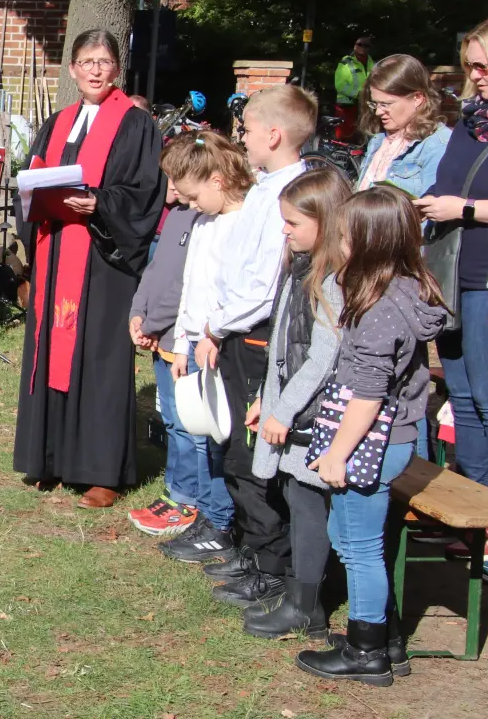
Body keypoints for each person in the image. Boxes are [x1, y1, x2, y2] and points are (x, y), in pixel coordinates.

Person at [167, 84, 315, 605]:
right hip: (231, 332)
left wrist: (216, 327)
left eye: (247, 129)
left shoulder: (289, 194)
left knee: (252, 458)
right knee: (234, 452)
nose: (242, 138)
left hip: (255, 336)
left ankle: (271, 564)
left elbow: (263, 283)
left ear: (273, 134)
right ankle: (254, 551)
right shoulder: (263, 190)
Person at [296, 186, 446, 686]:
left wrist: (338, 454)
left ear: (366, 243)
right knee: (353, 540)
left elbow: (367, 396)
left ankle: (366, 652)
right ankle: (386, 640)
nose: (336, 244)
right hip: (389, 440)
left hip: (370, 443)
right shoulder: (403, 290)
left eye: (342, 236)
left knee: (360, 550)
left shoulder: (378, 309)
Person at [13, 29, 165, 510]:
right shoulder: (56, 123)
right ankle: (51, 458)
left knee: (99, 359)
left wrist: (98, 202)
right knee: (51, 350)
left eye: (104, 61)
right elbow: (31, 180)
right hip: (57, 251)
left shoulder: (137, 125)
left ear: (117, 68)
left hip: (103, 259)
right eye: (86, 61)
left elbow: (144, 193)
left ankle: (102, 471)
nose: (95, 70)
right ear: (73, 69)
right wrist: (33, 199)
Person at [242, 168, 351, 640]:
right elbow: (283, 345)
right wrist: (265, 398)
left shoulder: (333, 280)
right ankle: (297, 594)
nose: (284, 230)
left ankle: (306, 606)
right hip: (291, 405)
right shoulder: (300, 266)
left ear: (326, 222)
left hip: (314, 415)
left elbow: (324, 357)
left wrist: (284, 411)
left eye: (293, 222)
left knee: (307, 504)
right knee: (294, 496)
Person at [415, 14, 488, 577]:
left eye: (484, 65)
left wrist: (464, 209)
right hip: (451, 276)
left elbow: (472, 200)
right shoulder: (469, 125)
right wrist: (426, 202)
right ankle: (470, 515)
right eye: (471, 66)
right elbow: (447, 185)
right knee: (462, 399)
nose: (476, 75)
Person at [159, 132, 253, 555]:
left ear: (217, 180)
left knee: (218, 437)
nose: (190, 204)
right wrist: (182, 341)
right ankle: (208, 513)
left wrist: (213, 334)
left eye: (194, 196)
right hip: (196, 341)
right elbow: (190, 288)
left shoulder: (242, 223)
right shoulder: (204, 222)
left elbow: (236, 293)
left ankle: (221, 520)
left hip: (220, 343)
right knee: (200, 435)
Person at [127, 175, 217, 537]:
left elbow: (184, 285)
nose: (171, 186)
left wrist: (152, 324)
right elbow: (154, 272)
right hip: (160, 337)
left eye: (178, 178)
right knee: (172, 420)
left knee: (189, 425)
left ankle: (190, 499)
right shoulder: (175, 216)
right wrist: (138, 312)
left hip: (180, 338)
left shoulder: (206, 221)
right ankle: (176, 492)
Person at [355, 54, 451, 195]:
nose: (378, 112)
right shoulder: (379, 140)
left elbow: (433, 205)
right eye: (375, 104)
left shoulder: (437, 145)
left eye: (386, 104)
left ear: (417, 98)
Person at [333, 35, 374, 140]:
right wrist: (358, 94)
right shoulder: (346, 62)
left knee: (364, 133)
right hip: (347, 105)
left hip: (365, 104)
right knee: (345, 134)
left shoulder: (372, 63)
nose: (363, 47)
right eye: (360, 44)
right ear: (355, 46)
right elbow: (340, 85)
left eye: (366, 45)